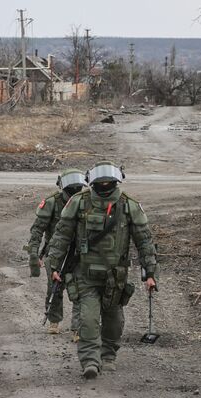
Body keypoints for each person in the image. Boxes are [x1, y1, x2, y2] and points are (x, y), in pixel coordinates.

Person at [47, 160, 158, 379]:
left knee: (114, 322)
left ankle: (108, 355)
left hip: (115, 277)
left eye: (110, 182)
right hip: (84, 274)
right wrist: (54, 266)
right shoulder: (79, 203)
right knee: (87, 319)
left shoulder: (128, 206)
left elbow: (144, 241)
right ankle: (90, 360)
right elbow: (61, 235)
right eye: (102, 182)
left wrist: (150, 273)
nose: (105, 185)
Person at [25, 169, 87, 336]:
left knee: (81, 289)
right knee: (55, 288)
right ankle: (54, 321)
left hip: (79, 253)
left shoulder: (85, 201)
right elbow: (37, 230)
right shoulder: (52, 203)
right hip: (56, 252)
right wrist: (34, 254)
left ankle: (78, 327)